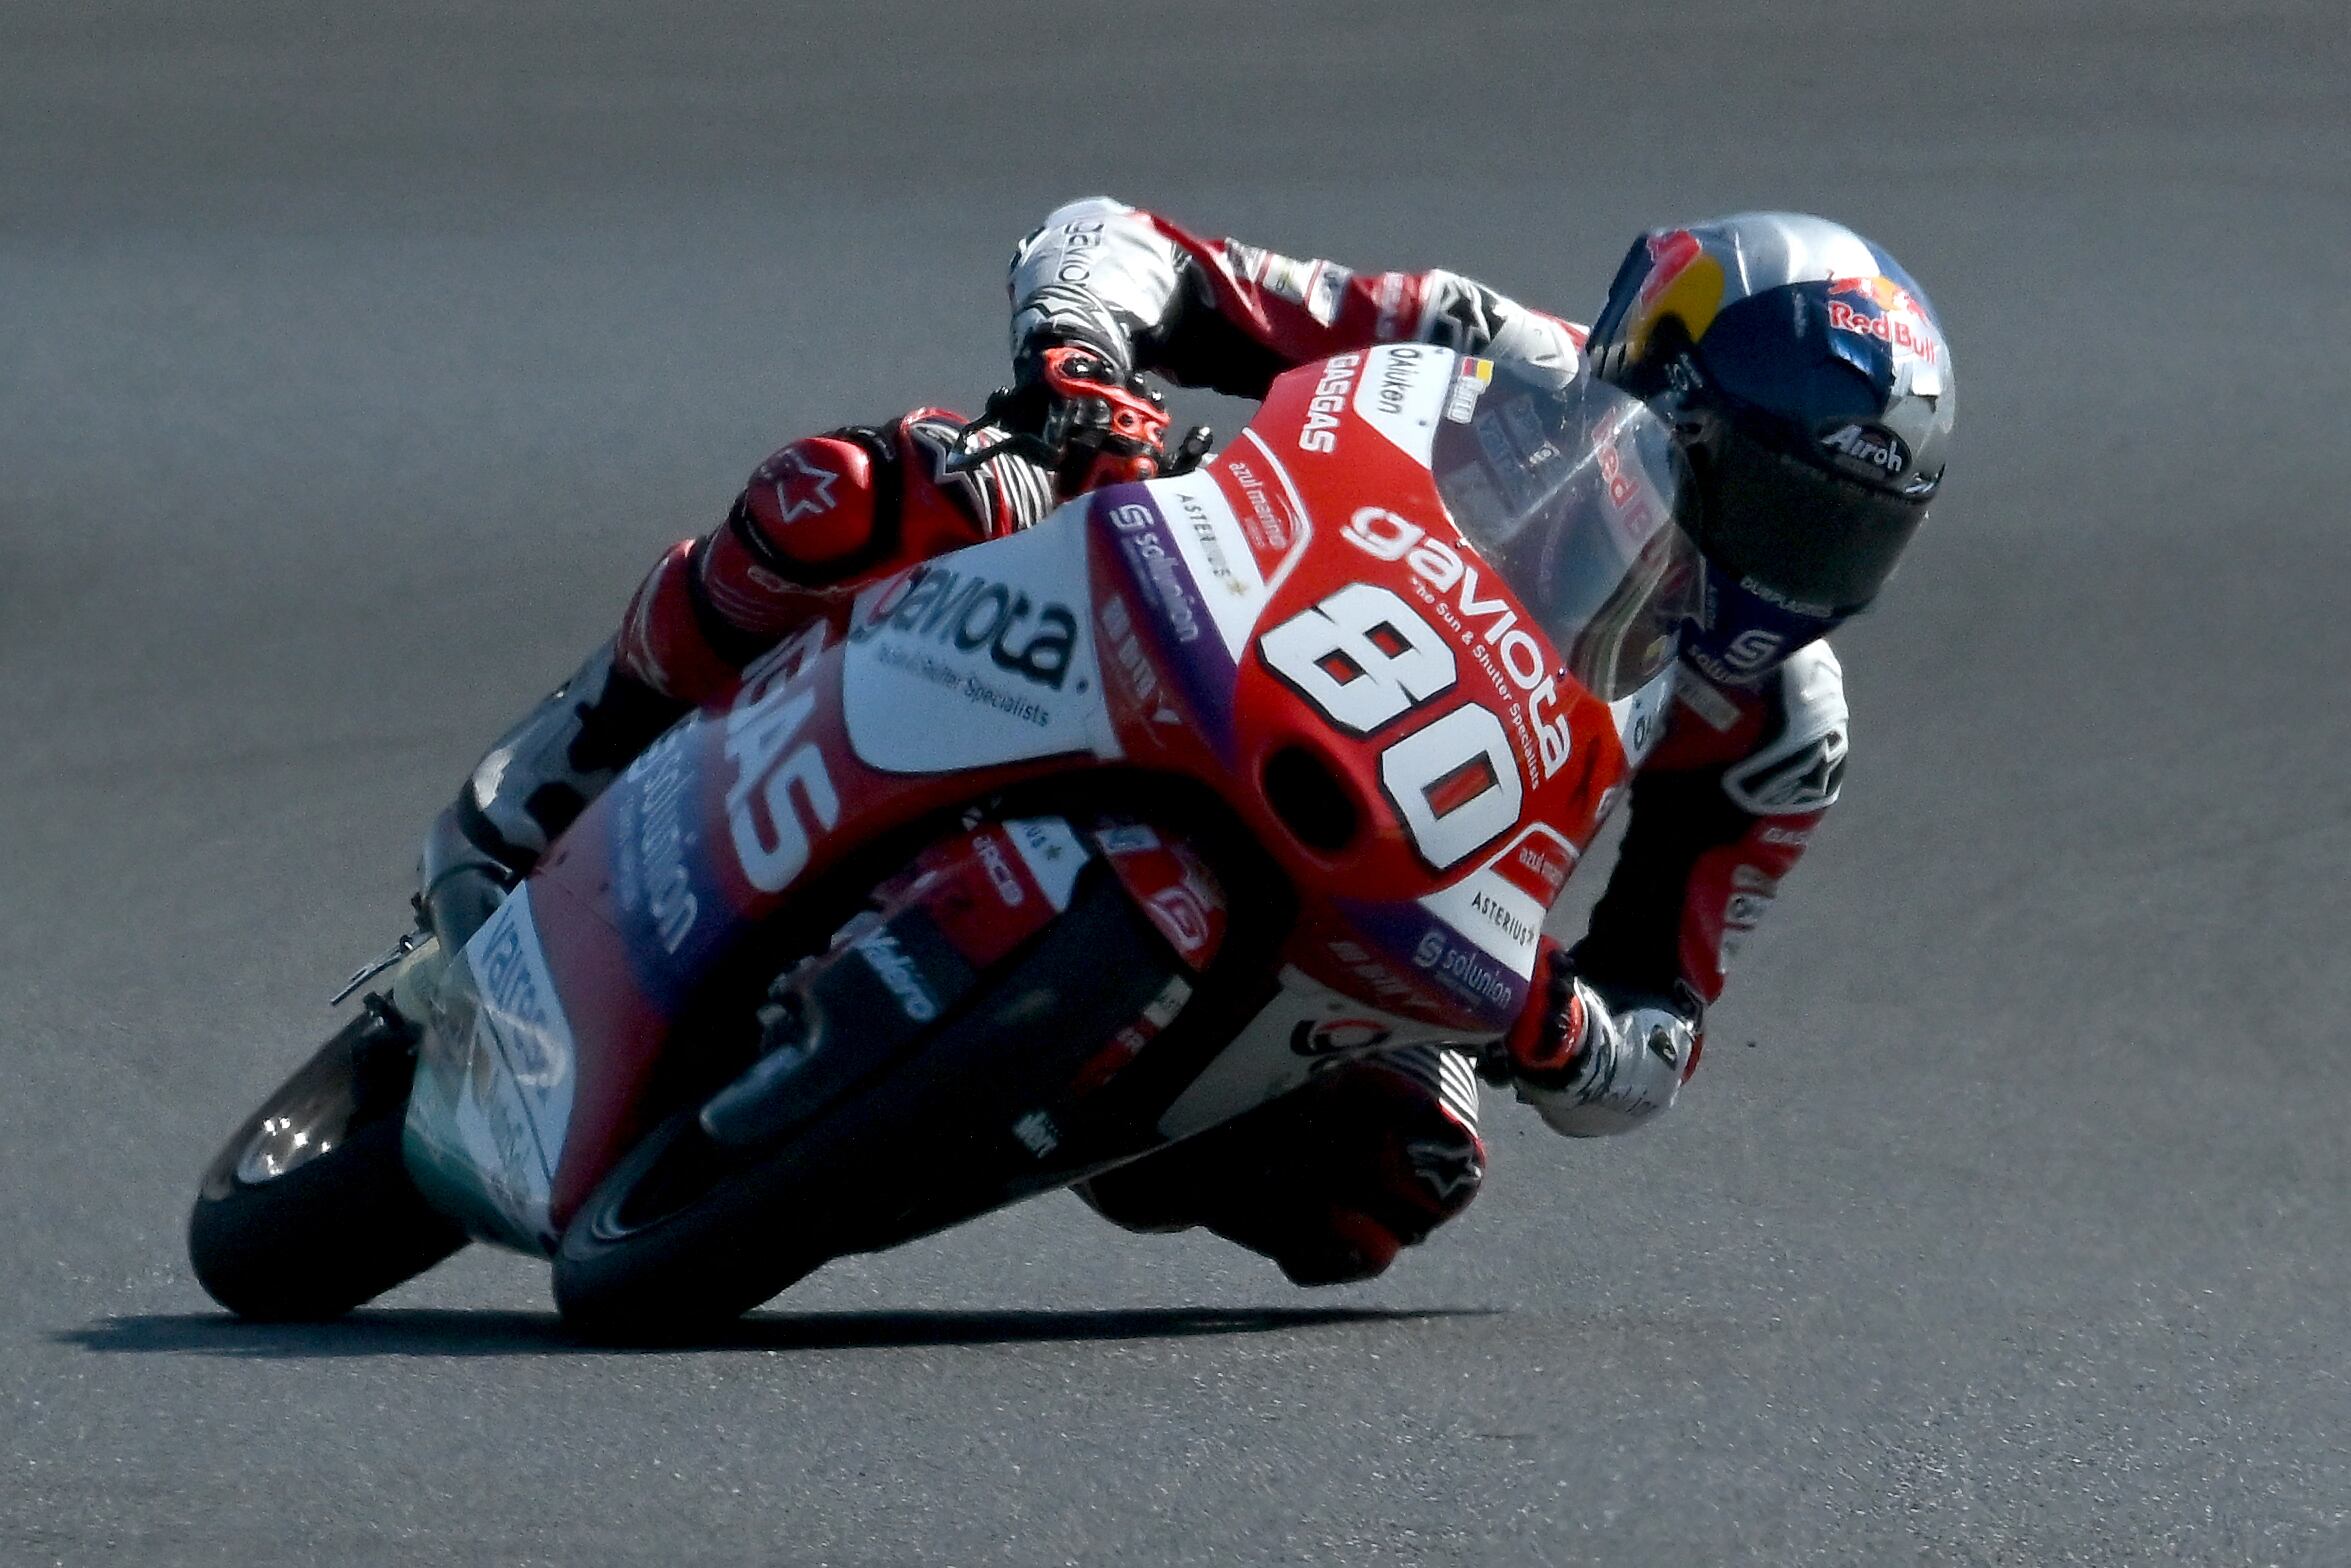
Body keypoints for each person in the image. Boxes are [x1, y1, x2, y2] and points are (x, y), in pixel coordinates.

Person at [432, 197, 1954, 1286]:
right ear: (1657, 388)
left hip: (1389, 896)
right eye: (1766, 501)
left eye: (1840, 539)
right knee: (889, 485)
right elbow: (1128, 243)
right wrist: (1081, 364)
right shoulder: (1489, 349)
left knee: (1394, 1178)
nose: (1786, 568)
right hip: (1182, 602)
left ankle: (1038, 1110)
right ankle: (570, 762)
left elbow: (1664, 1027)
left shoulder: (1775, 720)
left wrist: (1575, 1040)